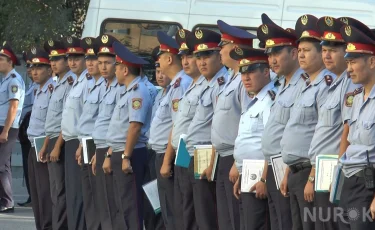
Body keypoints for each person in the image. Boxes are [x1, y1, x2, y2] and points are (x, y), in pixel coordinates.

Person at [307, 16, 361, 230]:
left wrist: (337, 173)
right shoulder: (334, 83)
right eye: (324, 49)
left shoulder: (349, 83)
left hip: (332, 170)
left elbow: (346, 130)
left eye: (334, 49)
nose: (326, 54)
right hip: (321, 170)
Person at [280, 14, 334, 230]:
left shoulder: (325, 86)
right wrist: (286, 172)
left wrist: (312, 177)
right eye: (299, 51)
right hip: (294, 172)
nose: (301, 55)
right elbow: (294, 132)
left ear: (321, 53)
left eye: (307, 50)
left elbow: (322, 135)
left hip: (308, 171)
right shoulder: (304, 85)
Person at [208, 20, 255, 230]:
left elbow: (246, 121)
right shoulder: (230, 79)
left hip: (233, 158)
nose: (219, 51)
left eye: (223, 46)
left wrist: (238, 161)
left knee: (235, 218)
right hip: (222, 156)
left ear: (236, 49)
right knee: (224, 218)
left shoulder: (244, 82)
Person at [257, 21, 302, 230]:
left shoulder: (302, 84)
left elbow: (294, 133)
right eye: (269, 54)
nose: (271, 60)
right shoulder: (282, 84)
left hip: (285, 167)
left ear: (293, 53)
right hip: (273, 166)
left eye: (276, 53)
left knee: (286, 223)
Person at [160, 29, 206, 230]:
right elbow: (178, 124)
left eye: (191, 57)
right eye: (184, 57)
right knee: (183, 204)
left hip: (196, 152)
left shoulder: (198, 84)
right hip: (183, 151)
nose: (186, 61)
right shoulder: (190, 85)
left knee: (194, 208)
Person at [104, 41, 152, 230]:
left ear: (124, 70)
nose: (114, 71)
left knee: (131, 206)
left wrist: (126, 157)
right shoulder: (126, 92)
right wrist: (110, 154)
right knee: (120, 204)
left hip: (131, 153)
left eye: (116, 67)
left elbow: (134, 127)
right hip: (119, 151)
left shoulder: (137, 92)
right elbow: (119, 129)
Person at [183, 28, 228, 230]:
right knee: (192, 211)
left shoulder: (222, 84)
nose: (201, 62)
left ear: (219, 56)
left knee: (207, 214)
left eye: (207, 56)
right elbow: (189, 125)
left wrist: (211, 161)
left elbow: (218, 127)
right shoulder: (203, 84)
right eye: (198, 57)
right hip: (190, 153)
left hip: (207, 154)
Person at [149, 31, 192, 230]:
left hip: (174, 155)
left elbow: (178, 127)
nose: (158, 62)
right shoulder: (175, 85)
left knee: (174, 210)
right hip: (166, 153)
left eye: (160, 57)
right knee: (167, 208)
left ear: (168, 58)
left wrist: (168, 161)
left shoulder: (181, 84)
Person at [231, 46, 276, 230]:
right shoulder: (253, 100)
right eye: (243, 73)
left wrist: (264, 179)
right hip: (248, 173)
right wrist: (241, 171)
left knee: (256, 224)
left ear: (266, 72)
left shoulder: (270, 100)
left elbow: (270, 143)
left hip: (259, 175)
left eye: (251, 72)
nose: (245, 78)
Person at [338, 24, 375, 230]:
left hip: (368, 187)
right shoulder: (356, 98)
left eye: (353, 62)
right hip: (349, 183)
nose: (348, 68)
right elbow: (349, 139)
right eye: (348, 62)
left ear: (371, 61)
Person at [61, 36, 94, 230]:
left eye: (78, 57)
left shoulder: (88, 82)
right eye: (70, 58)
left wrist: (82, 144)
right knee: (73, 192)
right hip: (72, 140)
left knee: (81, 194)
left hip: (83, 141)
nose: (72, 61)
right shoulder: (77, 81)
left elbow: (87, 118)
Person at [76, 36, 107, 230]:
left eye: (94, 59)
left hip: (97, 144)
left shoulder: (106, 86)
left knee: (98, 195)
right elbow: (86, 121)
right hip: (86, 142)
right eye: (87, 59)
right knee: (88, 193)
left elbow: (102, 123)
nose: (90, 63)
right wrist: (81, 144)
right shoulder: (92, 85)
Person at [43, 38, 75, 230]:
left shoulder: (70, 83)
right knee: (55, 191)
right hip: (53, 138)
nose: (53, 63)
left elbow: (66, 119)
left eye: (58, 59)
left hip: (61, 141)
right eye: (52, 59)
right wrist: (47, 144)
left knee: (61, 191)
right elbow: (53, 120)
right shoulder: (57, 84)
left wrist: (56, 146)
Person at [91, 35, 120, 230]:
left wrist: (108, 152)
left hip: (113, 149)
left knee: (113, 203)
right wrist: (97, 152)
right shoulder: (105, 87)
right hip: (101, 147)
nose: (102, 67)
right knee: (102, 202)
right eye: (100, 63)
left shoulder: (121, 87)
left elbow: (119, 126)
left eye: (107, 63)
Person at [26, 46, 54, 229]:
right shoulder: (37, 89)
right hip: (33, 144)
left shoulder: (52, 89)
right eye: (32, 68)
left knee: (45, 193)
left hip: (44, 145)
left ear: (50, 69)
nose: (34, 72)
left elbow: (53, 123)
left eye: (39, 68)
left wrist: (46, 145)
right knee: (36, 194)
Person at [144, 46, 167, 230]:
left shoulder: (177, 91)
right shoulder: (160, 94)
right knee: (153, 202)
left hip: (166, 153)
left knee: (165, 204)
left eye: (163, 71)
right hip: (153, 151)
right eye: (157, 71)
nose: (160, 75)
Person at [0, 41, 25, 213]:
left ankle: (8, 202)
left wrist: (6, 131)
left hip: (7, 127)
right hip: (2, 125)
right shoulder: (5, 80)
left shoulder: (14, 80)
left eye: (1, 59)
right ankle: (6, 201)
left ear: (10, 62)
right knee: (4, 165)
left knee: (1, 165)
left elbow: (13, 107)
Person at [17, 51, 35, 207]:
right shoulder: (31, 85)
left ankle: (35, 197)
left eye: (33, 66)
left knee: (33, 167)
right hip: (26, 130)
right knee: (27, 165)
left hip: (34, 131)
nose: (30, 70)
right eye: (28, 66)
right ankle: (32, 196)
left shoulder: (45, 86)